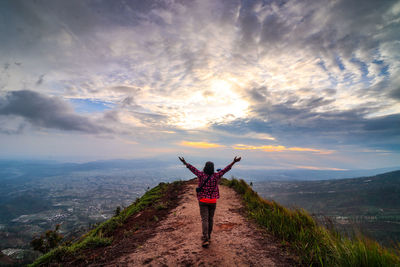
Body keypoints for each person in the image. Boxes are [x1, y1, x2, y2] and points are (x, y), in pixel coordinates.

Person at [178, 156, 241, 248]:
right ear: (212, 168)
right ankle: (209, 236)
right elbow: (226, 169)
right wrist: (234, 162)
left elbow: (192, 169)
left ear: (205, 167)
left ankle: (205, 239)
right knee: (210, 219)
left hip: (203, 200)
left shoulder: (201, 175)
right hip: (212, 200)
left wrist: (184, 162)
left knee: (204, 219)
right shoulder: (216, 176)